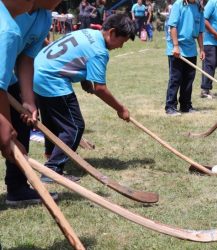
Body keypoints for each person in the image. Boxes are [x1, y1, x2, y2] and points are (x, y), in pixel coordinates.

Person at [33, 14, 135, 183]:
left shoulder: (88, 32)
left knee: (53, 123)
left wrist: (84, 79)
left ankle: (51, 156)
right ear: (112, 32)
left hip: (38, 72)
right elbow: (100, 89)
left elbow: (77, 56)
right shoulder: (100, 51)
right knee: (74, 127)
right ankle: (52, 169)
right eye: (122, 41)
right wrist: (120, 109)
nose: (121, 47)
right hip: (53, 79)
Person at [0, 0, 59, 205]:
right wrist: (4, 124)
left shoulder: (44, 17)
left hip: (8, 80)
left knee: (21, 126)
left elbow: (26, 58)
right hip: (1, 82)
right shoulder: (7, 27)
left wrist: (28, 100)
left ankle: (17, 188)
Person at [164, 0, 205, 116]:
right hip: (177, 48)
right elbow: (173, 26)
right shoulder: (178, 5)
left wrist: (201, 49)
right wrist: (176, 46)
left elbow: (200, 31)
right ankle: (170, 107)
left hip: (191, 48)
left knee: (189, 79)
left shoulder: (199, 7)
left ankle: (186, 106)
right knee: (176, 78)